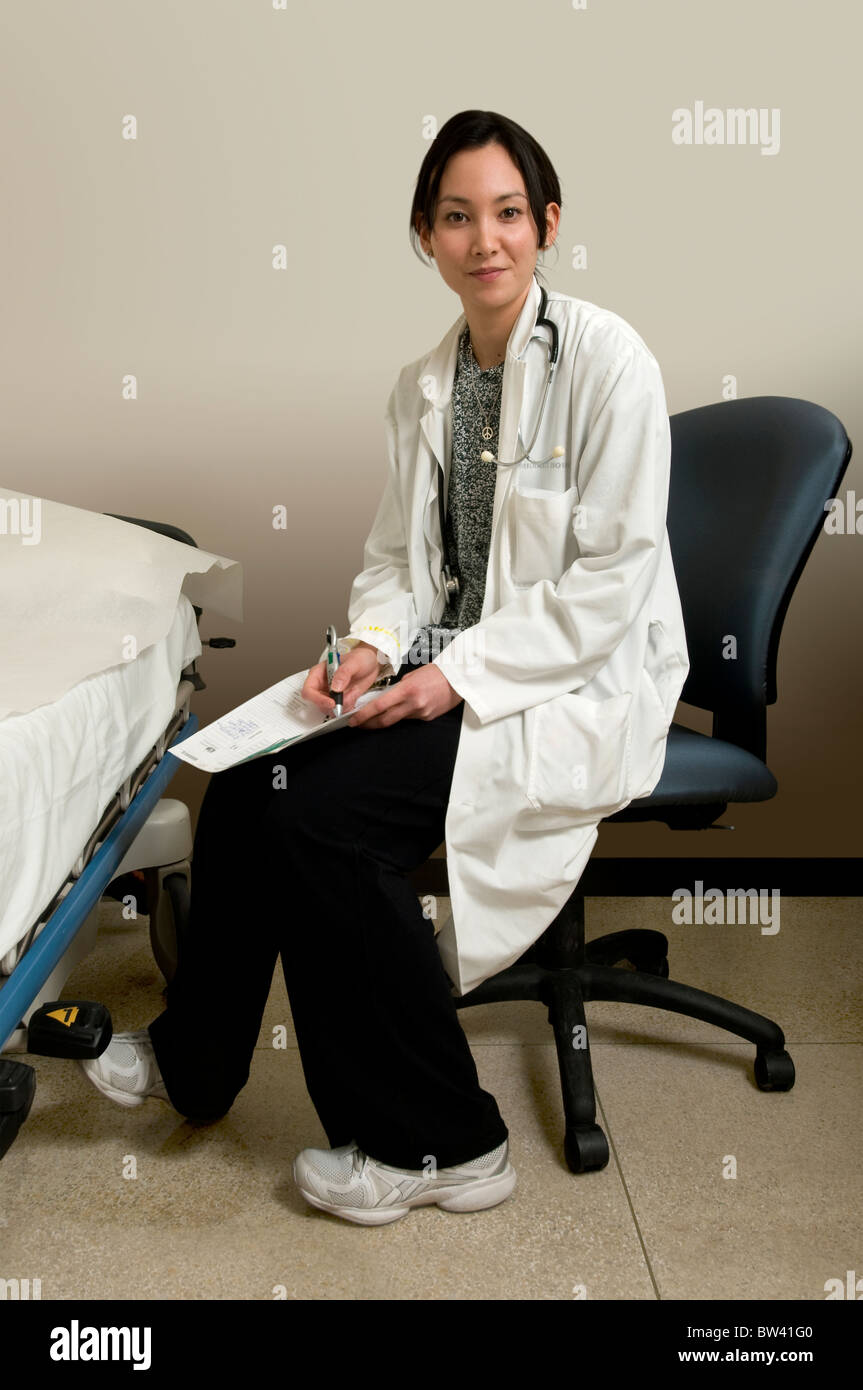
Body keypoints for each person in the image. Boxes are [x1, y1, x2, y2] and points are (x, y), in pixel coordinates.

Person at [80, 110, 689, 1227]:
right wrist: (367, 646)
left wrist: (456, 678)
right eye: (456, 216)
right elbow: (395, 563)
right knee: (247, 790)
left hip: (561, 683)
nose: (484, 239)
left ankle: (444, 1144)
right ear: (424, 235)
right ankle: (196, 1063)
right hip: (437, 665)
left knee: (322, 824)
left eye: (507, 213)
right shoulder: (423, 382)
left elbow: (609, 583)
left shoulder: (607, 362)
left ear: (547, 224)